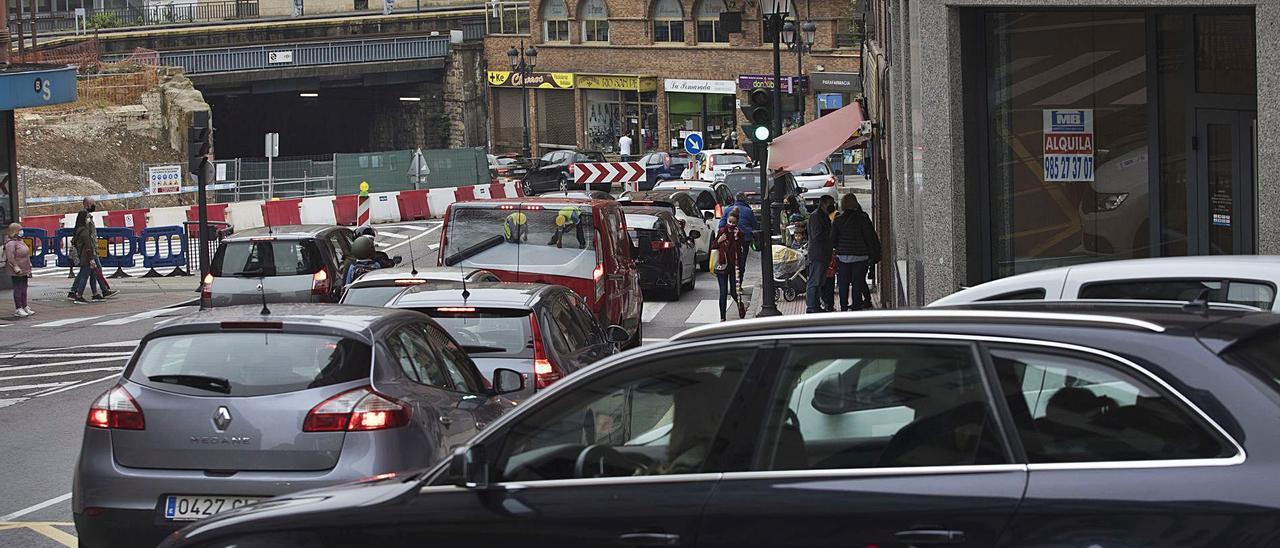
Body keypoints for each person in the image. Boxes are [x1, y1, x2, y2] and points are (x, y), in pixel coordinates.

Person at [830, 193, 882, 311]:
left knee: (843, 283)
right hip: (861, 256)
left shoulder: (838, 220)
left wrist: (839, 247)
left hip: (843, 257)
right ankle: (856, 306)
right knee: (857, 283)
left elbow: (832, 239)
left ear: (843, 205)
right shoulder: (863, 218)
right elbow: (869, 237)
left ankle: (843, 307)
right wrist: (872, 253)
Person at [805, 195, 836, 314]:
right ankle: (811, 306)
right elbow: (817, 235)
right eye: (830, 203)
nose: (832, 206)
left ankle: (816, 305)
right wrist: (830, 233)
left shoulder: (822, 216)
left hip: (823, 253)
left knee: (820, 281)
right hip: (818, 254)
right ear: (824, 204)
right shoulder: (816, 217)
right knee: (815, 280)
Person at [718, 193, 757, 285]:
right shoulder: (748, 211)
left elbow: (721, 224)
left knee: (729, 261)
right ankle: (739, 282)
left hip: (729, 239)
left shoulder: (728, 210)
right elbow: (754, 224)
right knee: (741, 262)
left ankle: (731, 282)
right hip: (745, 239)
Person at [712, 210, 744, 322]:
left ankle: (740, 305)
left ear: (737, 223)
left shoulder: (739, 234)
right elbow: (714, 246)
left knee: (734, 292)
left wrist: (736, 238)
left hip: (733, 266)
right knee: (723, 292)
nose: (730, 224)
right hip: (722, 265)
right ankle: (722, 317)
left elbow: (740, 251)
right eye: (729, 221)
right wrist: (719, 241)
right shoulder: (722, 231)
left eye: (733, 222)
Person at [70, 199, 103, 304]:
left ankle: (95, 293)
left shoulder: (80, 230)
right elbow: (88, 244)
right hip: (87, 255)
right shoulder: (85, 232)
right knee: (85, 274)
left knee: (92, 273)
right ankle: (78, 295)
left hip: (86, 254)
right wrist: (91, 257)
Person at [4, 223, 33, 317]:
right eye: (20, 230)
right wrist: (16, 267)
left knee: (24, 288)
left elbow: (26, 254)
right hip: (16, 270)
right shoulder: (11, 243)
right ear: (14, 231)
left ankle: (24, 306)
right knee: (18, 288)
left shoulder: (20, 241)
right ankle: (18, 308)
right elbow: (10, 257)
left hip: (25, 268)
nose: (22, 231)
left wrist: (29, 266)